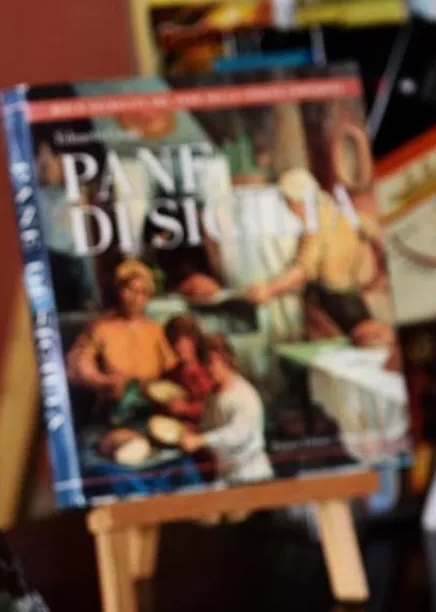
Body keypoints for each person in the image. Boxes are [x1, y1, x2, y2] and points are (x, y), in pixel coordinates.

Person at [242, 168, 387, 343]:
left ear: (296, 201)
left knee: (357, 345)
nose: (290, 210)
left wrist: (268, 290)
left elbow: (302, 271)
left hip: (334, 303)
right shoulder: (341, 211)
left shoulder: (316, 223)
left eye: (288, 203)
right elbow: (378, 235)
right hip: (353, 297)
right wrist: (379, 272)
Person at [66, 259, 175, 399]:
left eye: (143, 292)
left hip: (150, 399)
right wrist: (102, 381)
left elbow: (171, 366)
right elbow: (80, 364)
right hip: (114, 401)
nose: (136, 298)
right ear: (119, 291)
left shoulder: (154, 329)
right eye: (130, 290)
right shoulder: (101, 327)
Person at [179, 335, 274, 484]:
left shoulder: (243, 394)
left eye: (212, 363)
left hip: (251, 474)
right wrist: (194, 431)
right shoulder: (212, 395)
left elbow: (237, 434)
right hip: (225, 474)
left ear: (226, 360)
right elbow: (209, 425)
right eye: (205, 364)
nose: (208, 369)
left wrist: (201, 440)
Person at [162, 315, 215, 423]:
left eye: (183, 340)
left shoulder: (209, 371)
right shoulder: (171, 374)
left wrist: (186, 408)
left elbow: (215, 406)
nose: (178, 346)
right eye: (173, 341)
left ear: (194, 340)